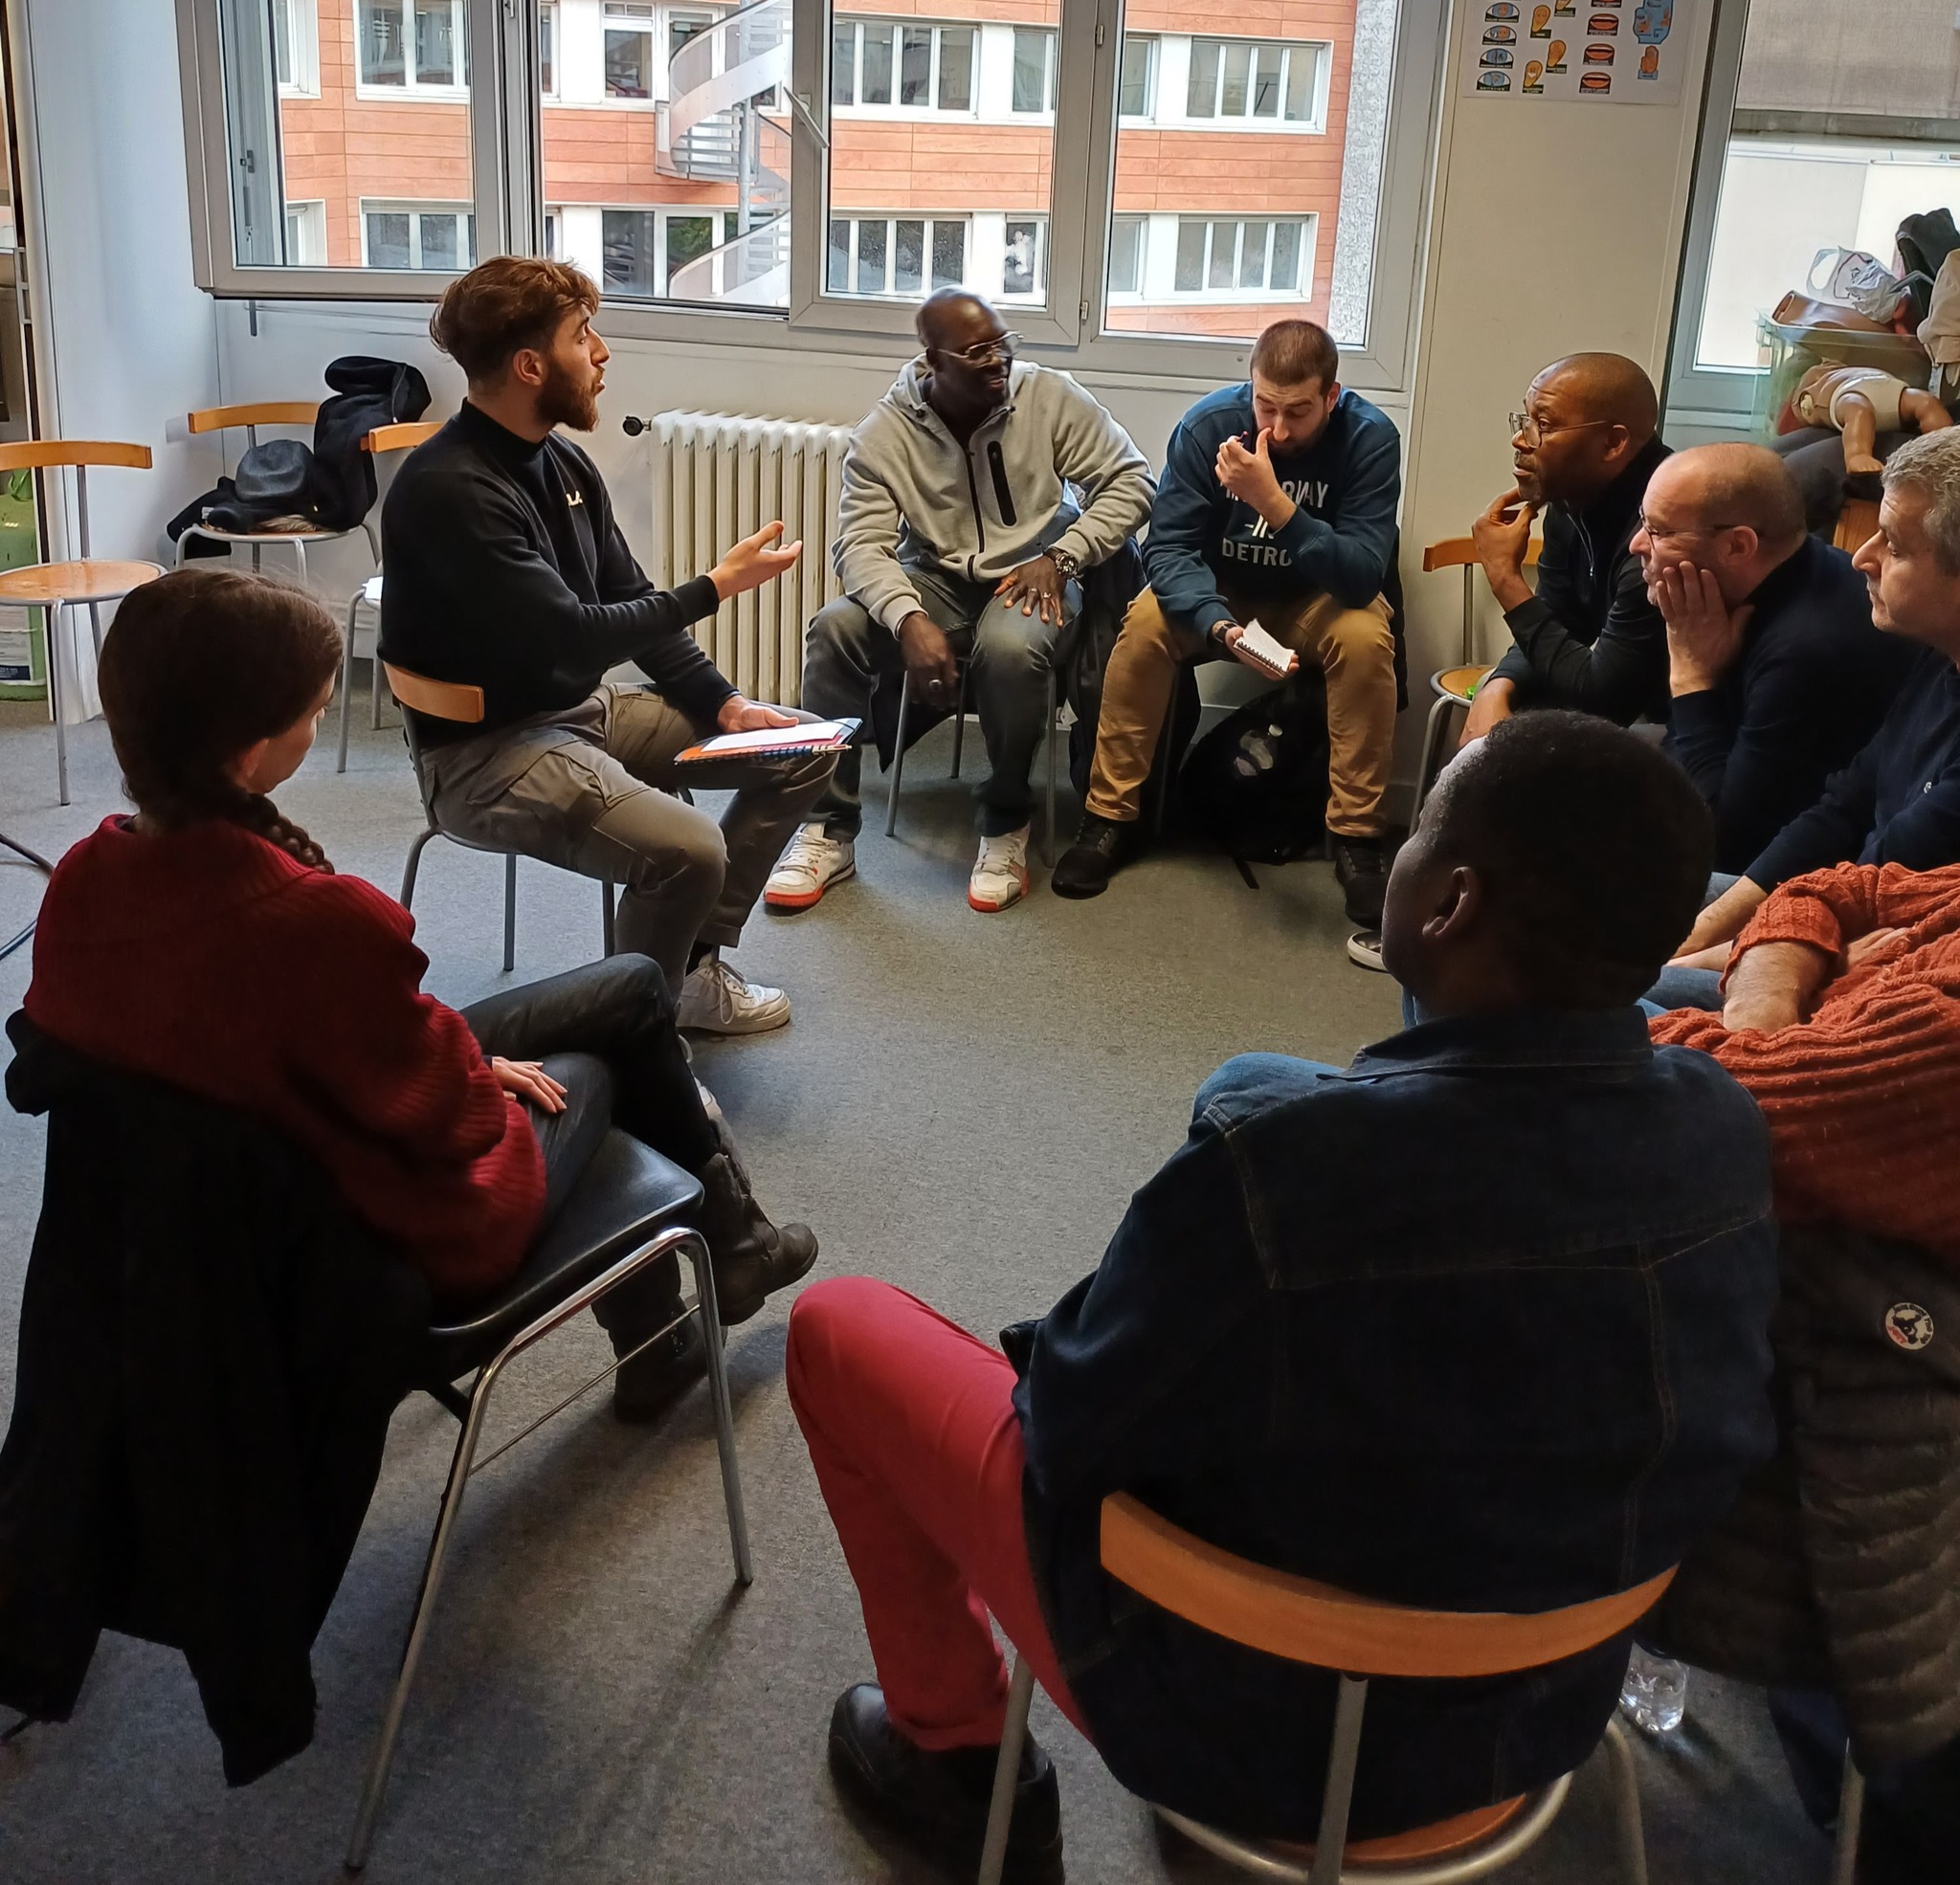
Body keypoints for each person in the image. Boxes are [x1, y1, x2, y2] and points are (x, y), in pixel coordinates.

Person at [787, 712, 1780, 1883]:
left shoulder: (1286, 1167)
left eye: (1415, 832)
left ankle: (948, 1757)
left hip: (1257, 1734)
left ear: (1447, 902)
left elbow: (1069, 1421)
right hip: (1548, 1708)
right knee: (1258, 1109)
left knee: (836, 1329)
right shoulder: (1725, 1122)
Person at [25, 570, 818, 1421]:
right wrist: (476, 1073)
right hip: (391, 1233)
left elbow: (305, 1043)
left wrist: (453, 1057)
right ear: (251, 753)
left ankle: (727, 1259)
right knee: (606, 1059)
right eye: (316, 706)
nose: (325, 715)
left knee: (629, 987)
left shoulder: (79, 882)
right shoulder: (318, 922)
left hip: (218, 1235)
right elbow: (457, 1123)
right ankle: (688, 1306)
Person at [380, 255, 834, 1035]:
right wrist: (714, 587)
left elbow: (627, 599)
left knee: (803, 747)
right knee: (689, 850)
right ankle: (640, 1044)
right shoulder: (450, 488)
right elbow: (572, 633)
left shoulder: (562, 460)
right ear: (530, 366)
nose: (602, 352)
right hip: (485, 757)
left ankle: (686, 973)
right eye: (582, 335)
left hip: (575, 713)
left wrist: (722, 704)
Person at [766, 291, 1153, 917]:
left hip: (1037, 572)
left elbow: (1131, 482)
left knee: (1009, 647)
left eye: (1004, 345)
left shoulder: (1047, 396)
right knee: (832, 630)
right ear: (933, 361)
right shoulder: (886, 431)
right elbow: (859, 545)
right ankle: (827, 829)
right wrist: (907, 618)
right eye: (977, 352)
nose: (998, 361)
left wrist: (1064, 556)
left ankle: (1004, 824)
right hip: (937, 578)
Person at [1049, 319, 1402, 940]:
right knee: (1145, 624)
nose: (1278, 429)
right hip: (1224, 594)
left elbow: (1361, 575)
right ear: (1251, 386)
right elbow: (1169, 552)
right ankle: (1108, 818)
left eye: (1298, 412)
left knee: (1367, 639)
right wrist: (1217, 627)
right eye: (1266, 405)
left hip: (1316, 597)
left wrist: (1277, 507)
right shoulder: (1209, 426)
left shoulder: (1370, 439)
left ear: (1332, 396)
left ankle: (1355, 837)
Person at [1665, 430, 1960, 1004]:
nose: (1861, 557)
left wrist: (1672, 961)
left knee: (1607, 998)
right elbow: (1842, 807)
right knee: (1620, 892)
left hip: (1868, 966)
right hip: (1826, 914)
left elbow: (1864, 892)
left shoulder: (1813, 644)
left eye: (1894, 547)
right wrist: (1696, 932)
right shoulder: (1939, 656)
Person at [1633, 442, 1916, 872]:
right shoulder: (1747, 588)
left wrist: (1692, 678)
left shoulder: (1808, 649)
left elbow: (1721, 842)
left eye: (1658, 531)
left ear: (1738, 546)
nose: (1637, 544)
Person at [1463, 352, 1670, 742]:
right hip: (1629, 709)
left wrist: (1504, 577)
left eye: (1543, 424)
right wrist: (1498, 685)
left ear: (1612, 443)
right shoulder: (1570, 502)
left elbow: (1606, 699)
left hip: (1686, 732)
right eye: (1525, 419)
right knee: (1498, 729)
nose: (1520, 438)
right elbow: (1556, 623)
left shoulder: (1661, 534)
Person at [1792, 364, 1951, 477]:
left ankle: (1950, 445)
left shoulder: (1836, 369)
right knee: (1859, 412)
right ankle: (1857, 454)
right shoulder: (1817, 388)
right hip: (1846, 393)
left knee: (1927, 402)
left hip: (1885, 387)